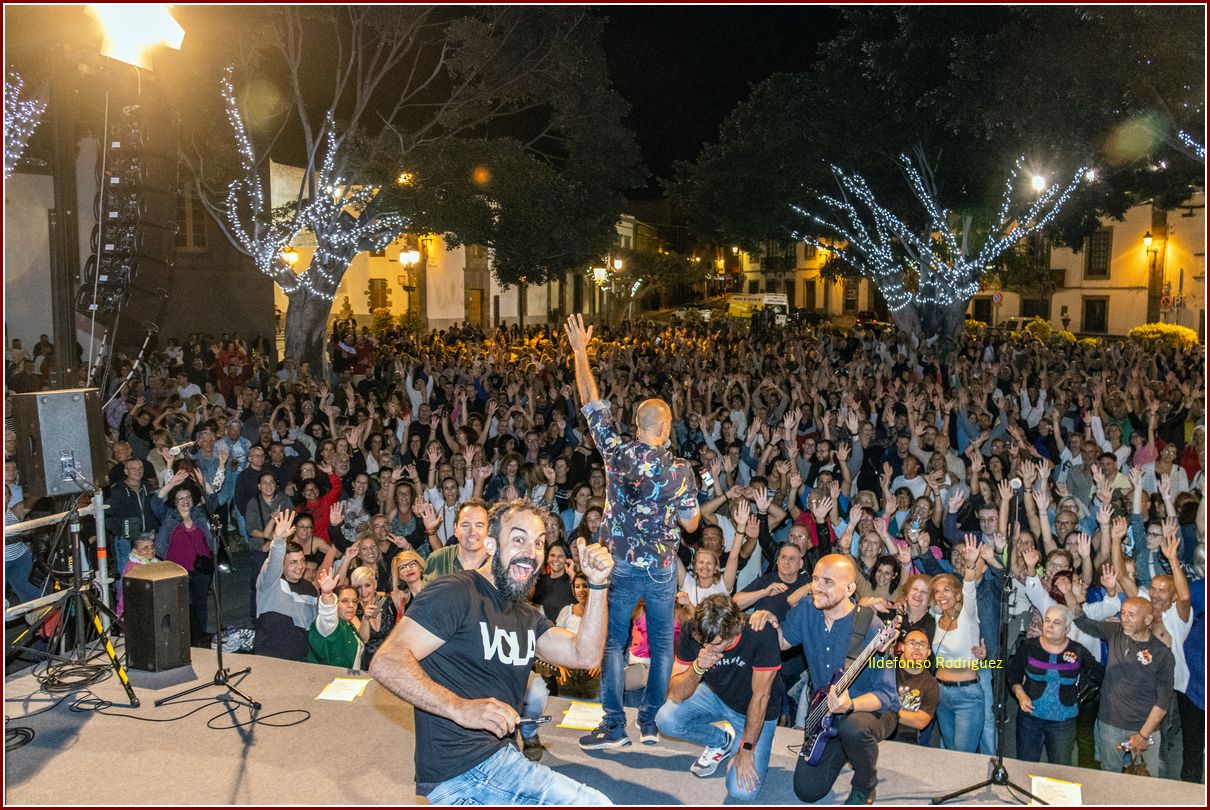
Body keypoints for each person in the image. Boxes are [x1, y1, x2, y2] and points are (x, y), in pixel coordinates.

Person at [368, 500, 614, 805]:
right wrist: (458, 707)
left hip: (503, 760)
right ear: (491, 544)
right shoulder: (456, 592)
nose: (531, 552)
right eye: (519, 539)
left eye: (539, 543)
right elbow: (387, 661)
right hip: (463, 773)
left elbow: (585, 655)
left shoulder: (526, 615)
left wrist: (598, 586)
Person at [564, 314, 700, 750]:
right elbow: (692, 524)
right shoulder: (679, 469)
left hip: (619, 563)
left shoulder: (617, 452)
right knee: (661, 646)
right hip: (660, 568)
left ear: (638, 424)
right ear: (664, 427)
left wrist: (581, 352)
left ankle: (613, 726)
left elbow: (590, 400)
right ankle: (649, 723)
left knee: (614, 643)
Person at [762, 553, 898, 805]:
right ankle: (845, 746)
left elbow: (886, 695)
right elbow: (782, 641)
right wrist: (768, 621)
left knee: (853, 728)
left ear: (849, 589)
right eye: (815, 579)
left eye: (827, 582)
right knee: (807, 791)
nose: (817, 587)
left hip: (869, 709)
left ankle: (865, 784)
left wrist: (851, 705)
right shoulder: (807, 609)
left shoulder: (872, 626)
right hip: (825, 710)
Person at [655, 594, 783, 801]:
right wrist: (698, 666)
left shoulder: (759, 633)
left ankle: (748, 739)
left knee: (742, 792)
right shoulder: (693, 631)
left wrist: (747, 748)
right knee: (665, 719)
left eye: (716, 643)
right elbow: (676, 695)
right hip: (716, 695)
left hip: (755, 710)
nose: (708, 648)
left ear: (736, 628)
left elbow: (760, 697)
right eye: (704, 642)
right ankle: (721, 740)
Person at [1073, 595, 1174, 775]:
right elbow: (1084, 623)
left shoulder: (1161, 654)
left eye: (1131, 615)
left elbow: (1163, 702)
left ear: (1148, 619)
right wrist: (1068, 593)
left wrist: (1143, 735)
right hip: (1111, 724)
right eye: (1123, 613)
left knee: (1146, 778)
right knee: (1110, 774)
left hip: (1145, 729)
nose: (1125, 619)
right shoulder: (1116, 631)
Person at [1007, 604, 1096, 765]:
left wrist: (1081, 693)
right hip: (1030, 718)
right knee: (1025, 767)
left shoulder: (1078, 651)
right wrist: (1020, 694)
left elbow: (1098, 673)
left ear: (1067, 629)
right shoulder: (1029, 646)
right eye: (1047, 620)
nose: (1050, 625)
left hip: (1063, 722)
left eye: (1056, 622)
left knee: (1059, 770)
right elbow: (1013, 673)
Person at [254, 509, 319, 661]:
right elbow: (273, 564)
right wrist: (278, 541)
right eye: (293, 562)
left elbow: (313, 627)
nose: (300, 566)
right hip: (270, 657)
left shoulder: (310, 589)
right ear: (282, 564)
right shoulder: (271, 583)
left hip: (299, 658)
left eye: (302, 561)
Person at [308, 568, 367, 669]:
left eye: (354, 601)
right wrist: (327, 593)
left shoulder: (349, 626)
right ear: (335, 603)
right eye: (344, 601)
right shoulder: (330, 626)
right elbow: (328, 615)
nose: (351, 605)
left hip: (350, 678)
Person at [890, 629, 939, 744]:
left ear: (929, 652)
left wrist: (889, 711)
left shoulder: (931, 685)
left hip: (905, 740)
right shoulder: (886, 669)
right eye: (912, 643)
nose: (917, 648)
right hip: (876, 731)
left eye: (922, 645)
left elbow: (921, 722)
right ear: (902, 647)